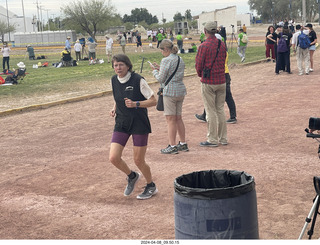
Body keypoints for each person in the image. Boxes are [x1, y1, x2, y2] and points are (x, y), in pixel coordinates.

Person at [109, 54, 158, 200]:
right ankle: (132, 176)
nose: (118, 68)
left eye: (121, 65)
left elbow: (153, 101)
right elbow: (118, 97)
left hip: (139, 123)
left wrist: (136, 104)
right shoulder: (113, 80)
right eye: (115, 65)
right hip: (122, 122)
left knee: (138, 160)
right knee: (113, 157)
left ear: (128, 66)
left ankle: (151, 185)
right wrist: (114, 107)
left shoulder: (138, 80)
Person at [150, 39, 188, 154]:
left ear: (165, 49)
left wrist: (155, 72)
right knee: (178, 118)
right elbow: (172, 72)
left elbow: (161, 79)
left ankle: (172, 145)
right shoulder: (179, 59)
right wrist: (160, 69)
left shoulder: (165, 60)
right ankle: (183, 143)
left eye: (161, 50)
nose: (161, 52)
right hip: (180, 90)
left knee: (170, 119)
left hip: (170, 92)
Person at [195, 21, 227, 147]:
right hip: (221, 79)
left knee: (210, 110)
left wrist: (201, 74)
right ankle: (223, 138)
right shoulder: (222, 44)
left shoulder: (204, 46)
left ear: (205, 31)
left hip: (209, 81)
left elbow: (199, 64)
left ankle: (212, 139)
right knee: (220, 109)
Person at [195, 35, 237, 124]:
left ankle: (233, 116)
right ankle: (204, 115)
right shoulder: (223, 49)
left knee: (218, 96)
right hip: (225, 74)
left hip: (220, 74)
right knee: (214, 97)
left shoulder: (216, 50)